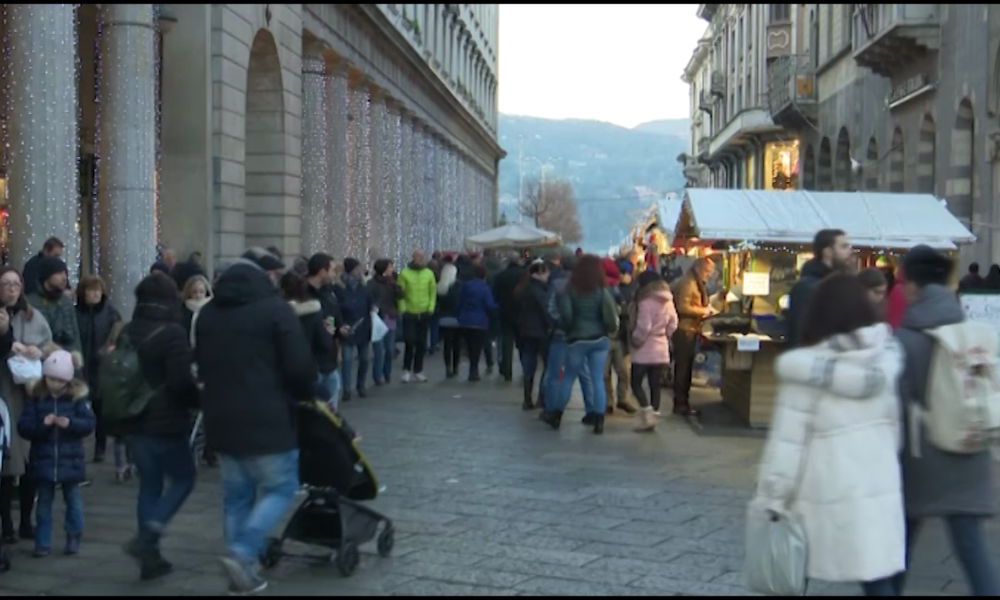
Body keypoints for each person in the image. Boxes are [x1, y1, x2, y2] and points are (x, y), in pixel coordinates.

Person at [752, 273, 905, 596]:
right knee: (876, 576)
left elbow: (789, 444)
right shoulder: (884, 362)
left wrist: (773, 497)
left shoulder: (805, 370)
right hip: (875, 487)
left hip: (820, 492)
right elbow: (895, 432)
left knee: (791, 574)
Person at [194, 248, 316, 594]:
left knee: (236, 496)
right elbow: (298, 365)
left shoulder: (207, 315)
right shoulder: (276, 310)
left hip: (222, 417)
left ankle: (242, 566)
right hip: (270, 417)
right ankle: (243, 553)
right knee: (280, 487)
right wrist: (309, 392)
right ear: (266, 278)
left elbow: (201, 363)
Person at [893, 245, 999, 596]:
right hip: (971, 450)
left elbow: (895, 404)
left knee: (898, 549)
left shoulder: (906, 339)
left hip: (923, 457)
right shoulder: (970, 332)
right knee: (972, 548)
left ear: (914, 287)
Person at [118, 272, 201, 580]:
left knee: (149, 485)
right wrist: (199, 399)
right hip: (166, 423)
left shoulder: (129, 330)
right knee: (184, 479)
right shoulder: (173, 333)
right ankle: (149, 536)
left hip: (134, 420)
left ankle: (149, 558)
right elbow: (181, 382)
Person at [17, 350, 95, 557]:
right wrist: (43, 426)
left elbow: (88, 424)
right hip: (43, 459)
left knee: (73, 501)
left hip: (70, 460)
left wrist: (70, 424)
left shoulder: (77, 399)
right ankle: (42, 542)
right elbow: (24, 427)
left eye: (60, 380)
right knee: (43, 503)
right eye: (51, 379)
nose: (55, 384)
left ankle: (73, 535)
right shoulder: (35, 399)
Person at [0, 266, 51, 544]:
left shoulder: (33, 315)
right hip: (3, 395)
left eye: (15, 284)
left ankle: (26, 522)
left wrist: (38, 351)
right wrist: (8, 339)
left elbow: (48, 343)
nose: (11, 289)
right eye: (6, 284)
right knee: (7, 461)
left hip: (30, 395)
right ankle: (6, 524)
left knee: (31, 460)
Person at [542, 254, 619, 434]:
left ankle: (556, 414)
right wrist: (608, 329)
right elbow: (610, 315)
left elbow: (567, 316)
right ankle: (598, 420)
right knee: (597, 379)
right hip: (599, 339)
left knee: (568, 377)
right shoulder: (602, 290)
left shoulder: (570, 290)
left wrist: (569, 330)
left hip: (577, 339)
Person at [74, 275, 123, 464]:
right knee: (78, 408)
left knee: (100, 410)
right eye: (90, 290)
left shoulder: (110, 313)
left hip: (102, 367)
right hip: (81, 366)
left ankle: (100, 446)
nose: (94, 294)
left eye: (97, 290)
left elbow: (117, 335)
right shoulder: (76, 312)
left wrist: (108, 349)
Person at [628, 271, 678, 431]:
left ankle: (647, 414)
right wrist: (665, 336)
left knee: (635, 383)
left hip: (644, 348)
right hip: (660, 346)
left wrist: (636, 340)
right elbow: (673, 324)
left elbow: (644, 326)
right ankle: (654, 417)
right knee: (655, 385)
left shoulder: (645, 301)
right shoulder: (668, 301)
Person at [786, 229, 853, 348]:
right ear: (828, 251)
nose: (849, 252)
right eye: (843, 247)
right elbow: (800, 333)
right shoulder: (808, 288)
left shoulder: (838, 285)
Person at [671, 257, 716, 417]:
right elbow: (682, 306)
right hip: (684, 330)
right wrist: (703, 311)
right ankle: (680, 403)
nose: (708, 275)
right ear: (698, 268)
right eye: (706, 271)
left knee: (685, 368)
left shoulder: (692, 281)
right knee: (683, 368)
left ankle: (683, 402)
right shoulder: (688, 283)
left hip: (690, 329)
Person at [280, 271, 334, 404]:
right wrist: (328, 332)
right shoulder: (313, 312)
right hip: (311, 365)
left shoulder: (278, 313)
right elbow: (325, 343)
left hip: (284, 368)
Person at [306, 253, 348, 411]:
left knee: (331, 413)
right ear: (322, 272)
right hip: (312, 362)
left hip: (329, 361)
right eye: (332, 270)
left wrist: (340, 329)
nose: (334, 274)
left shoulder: (329, 293)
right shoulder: (302, 295)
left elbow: (334, 318)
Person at [333, 258, 373, 401]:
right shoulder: (339, 288)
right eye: (357, 269)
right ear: (350, 270)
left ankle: (360, 385)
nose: (359, 271)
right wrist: (341, 324)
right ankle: (347, 389)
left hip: (363, 326)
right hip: (347, 327)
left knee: (364, 359)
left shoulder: (363, 287)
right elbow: (336, 308)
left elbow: (369, 305)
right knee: (347, 359)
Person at [515, 260, 553, 410]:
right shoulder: (539, 291)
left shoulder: (522, 289)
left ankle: (527, 398)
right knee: (547, 366)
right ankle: (541, 398)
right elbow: (545, 311)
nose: (548, 276)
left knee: (529, 367)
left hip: (525, 331)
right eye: (546, 273)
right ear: (539, 274)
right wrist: (551, 326)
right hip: (540, 332)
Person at [26, 257, 82, 356]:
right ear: (47, 276)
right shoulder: (30, 302)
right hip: (38, 359)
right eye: (59, 273)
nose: (64, 278)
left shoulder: (66, 302)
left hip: (67, 359)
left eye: (65, 273)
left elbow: (75, 336)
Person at [601, 257, 635, 416]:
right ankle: (608, 402)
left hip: (622, 336)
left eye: (625, 273)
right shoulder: (605, 288)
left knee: (623, 371)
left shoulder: (632, 289)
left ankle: (623, 399)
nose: (622, 276)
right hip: (606, 335)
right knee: (604, 373)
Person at [397, 250, 436, 383]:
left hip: (424, 312)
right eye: (418, 257)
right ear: (413, 258)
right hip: (409, 311)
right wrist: (403, 309)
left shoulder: (429, 273)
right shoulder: (404, 273)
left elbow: (432, 292)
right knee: (409, 340)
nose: (420, 259)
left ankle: (418, 370)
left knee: (421, 342)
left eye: (422, 257)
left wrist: (431, 307)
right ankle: (406, 369)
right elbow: (400, 293)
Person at [457, 265, 498, 381]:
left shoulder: (466, 285)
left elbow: (460, 301)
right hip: (480, 321)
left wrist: (458, 315)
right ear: (484, 275)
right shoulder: (485, 288)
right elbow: (489, 305)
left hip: (465, 320)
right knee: (477, 346)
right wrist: (498, 307)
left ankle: (472, 368)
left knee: (469, 346)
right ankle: (473, 370)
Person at [366, 259, 402, 386]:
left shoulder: (391, 282)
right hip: (378, 317)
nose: (391, 270)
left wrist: (395, 284)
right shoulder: (372, 283)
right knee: (379, 349)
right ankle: (377, 375)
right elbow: (369, 298)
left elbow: (400, 295)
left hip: (390, 316)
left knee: (389, 348)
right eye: (389, 267)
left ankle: (387, 372)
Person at [491, 254, 524, 383]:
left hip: (504, 312)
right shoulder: (523, 275)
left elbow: (495, 295)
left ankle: (506, 370)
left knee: (506, 342)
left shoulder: (500, 276)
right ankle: (525, 368)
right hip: (521, 312)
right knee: (522, 343)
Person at [436, 257, 462, 379]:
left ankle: (448, 367)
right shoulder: (458, 286)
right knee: (457, 344)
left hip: (444, 318)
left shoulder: (440, 287)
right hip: (457, 318)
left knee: (446, 344)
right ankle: (456, 366)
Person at [180, 275, 212, 339]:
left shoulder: (211, 310)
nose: (198, 295)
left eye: (201, 292)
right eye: (194, 292)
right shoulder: (182, 310)